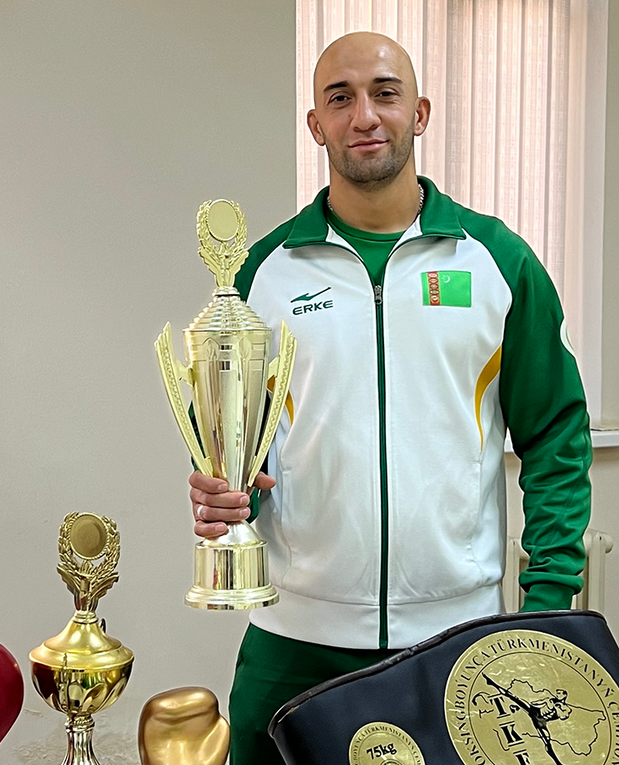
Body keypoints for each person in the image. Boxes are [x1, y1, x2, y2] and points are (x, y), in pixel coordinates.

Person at [186, 31, 592, 765]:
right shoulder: (260, 274)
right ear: (316, 125)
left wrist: (548, 598)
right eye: (339, 98)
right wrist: (228, 494)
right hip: (294, 637)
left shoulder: (498, 261)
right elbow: (235, 444)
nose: (364, 115)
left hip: (455, 633)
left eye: (384, 92)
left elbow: (557, 435)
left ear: (421, 111)